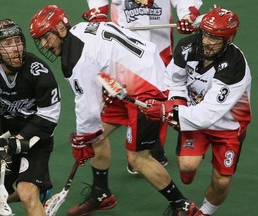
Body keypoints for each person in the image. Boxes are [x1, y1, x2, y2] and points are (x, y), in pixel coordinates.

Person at [30, 4, 199, 216]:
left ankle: (183, 206)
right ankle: (102, 193)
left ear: (61, 29)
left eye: (47, 37)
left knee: (137, 158)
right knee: (97, 137)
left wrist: (82, 140)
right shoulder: (80, 29)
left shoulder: (74, 58)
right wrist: (88, 137)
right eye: (41, 40)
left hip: (146, 86)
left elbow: (87, 104)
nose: (44, 44)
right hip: (136, 73)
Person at [140, 7, 251, 216]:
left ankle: (204, 212)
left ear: (229, 39)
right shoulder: (186, 46)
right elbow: (174, 81)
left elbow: (207, 115)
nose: (208, 42)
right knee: (187, 168)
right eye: (205, 34)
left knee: (222, 181)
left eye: (216, 38)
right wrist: (176, 103)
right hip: (192, 117)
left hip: (227, 126)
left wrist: (167, 112)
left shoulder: (234, 66)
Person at [82, 0, 203, 173]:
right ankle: (141, 145)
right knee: (122, 93)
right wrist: (98, 11)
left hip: (159, 45)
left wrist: (186, 14)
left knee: (159, 95)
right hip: (123, 43)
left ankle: (153, 144)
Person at [0, 18, 61, 216]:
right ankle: (41, 191)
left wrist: (19, 141)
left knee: (27, 193)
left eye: (18, 41)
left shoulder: (39, 71)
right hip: (4, 137)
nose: (16, 48)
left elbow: (49, 116)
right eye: (8, 44)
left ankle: (33, 191)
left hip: (35, 138)